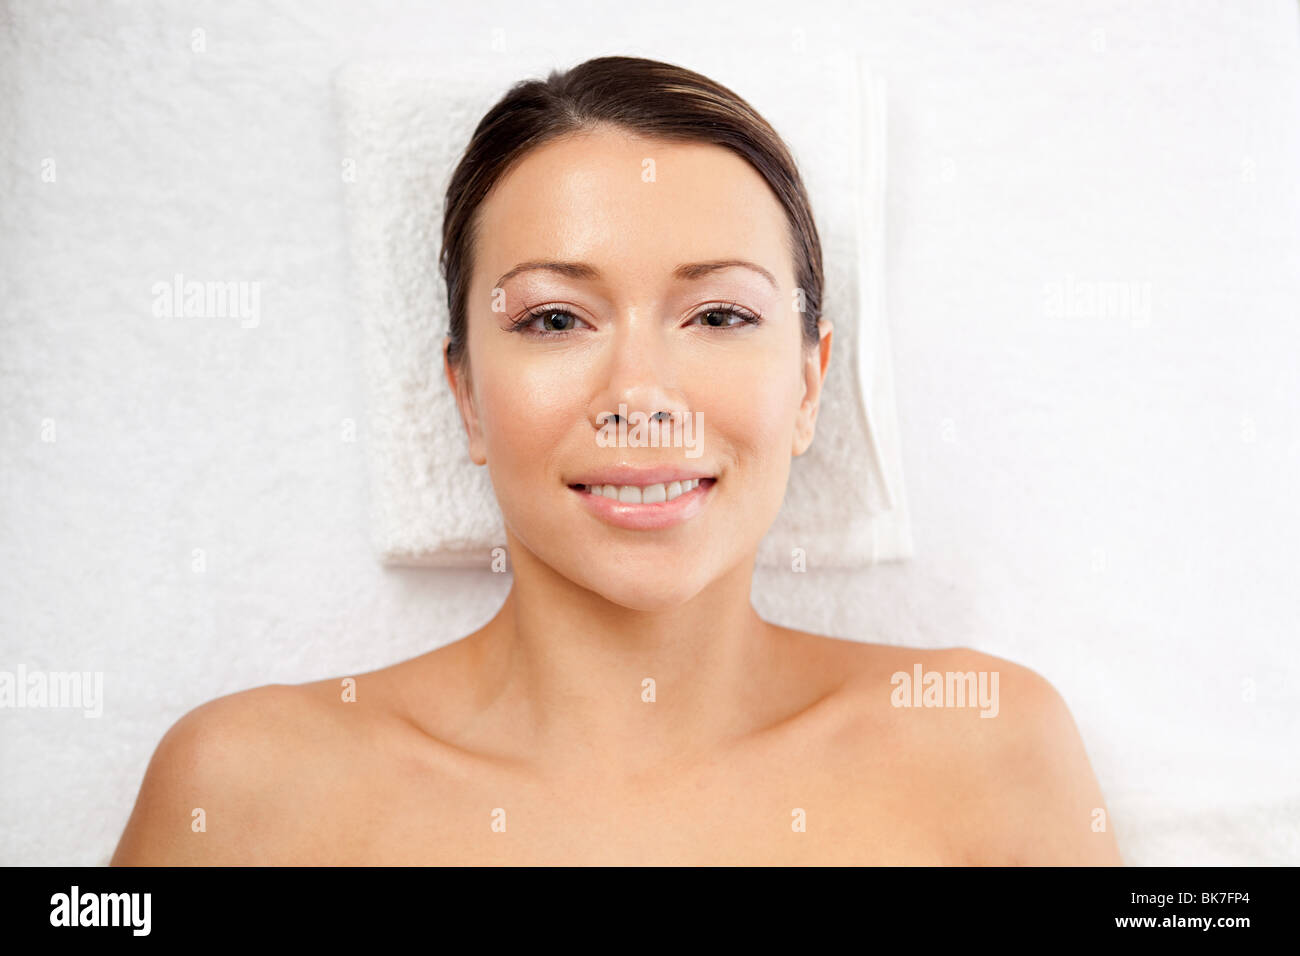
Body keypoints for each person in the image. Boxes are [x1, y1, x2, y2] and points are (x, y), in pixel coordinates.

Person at [111, 55, 1122, 865]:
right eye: (555, 317)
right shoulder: (247, 790)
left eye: (719, 313)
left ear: (809, 383)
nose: (640, 395)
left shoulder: (985, 748)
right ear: (463, 393)